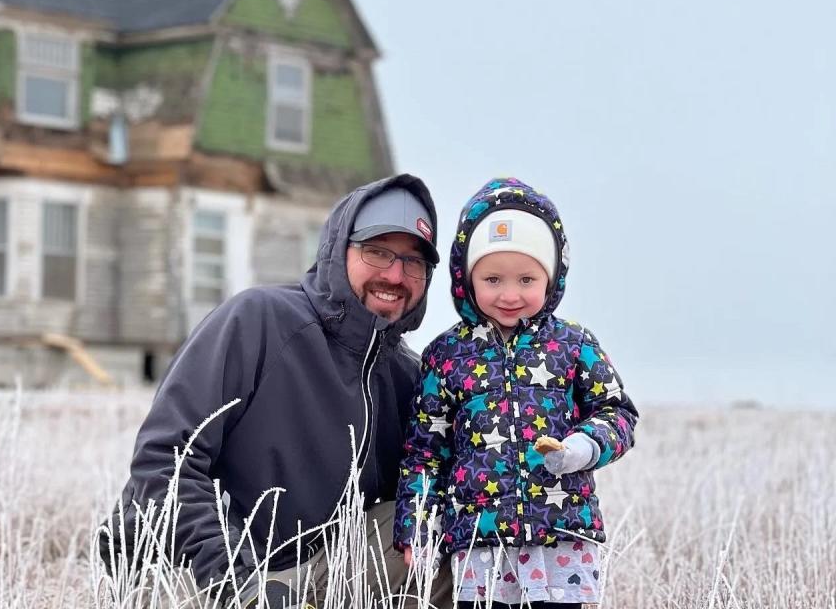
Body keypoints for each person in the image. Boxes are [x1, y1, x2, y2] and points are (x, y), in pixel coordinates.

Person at [101, 174, 448, 606]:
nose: (395, 274)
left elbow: (428, 482)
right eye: (377, 252)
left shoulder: (404, 376)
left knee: (434, 527)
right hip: (198, 569)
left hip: (311, 577)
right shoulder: (258, 320)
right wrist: (238, 585)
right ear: (339, 251)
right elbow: (163, 464)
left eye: (413, 262)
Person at [394, 178, 639, 609]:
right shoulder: (447, 355)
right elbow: (425, 451)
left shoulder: (573, 345)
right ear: (467, 279)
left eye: (526, 278)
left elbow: (617, 412)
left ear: (552, 277)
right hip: (480, 545)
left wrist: (583, 447)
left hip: (562, 534)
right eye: (492, 279)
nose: (509, 295)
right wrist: (416, 525)